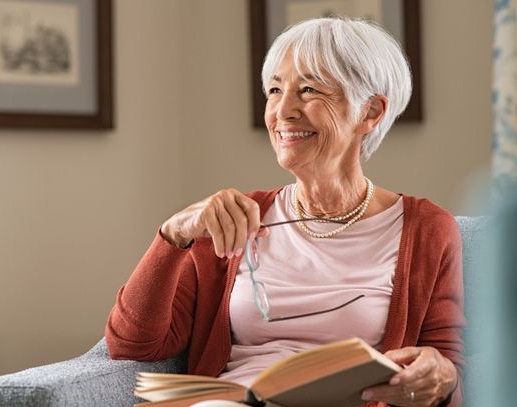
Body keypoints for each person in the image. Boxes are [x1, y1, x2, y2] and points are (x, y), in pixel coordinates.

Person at [105, 17, 464, 407]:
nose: (283, 110)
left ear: (370, 112)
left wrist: (441, 375)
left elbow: (448, 365)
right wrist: (172, 236)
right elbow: (132, 344)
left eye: (308, 90)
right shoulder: (233, 219)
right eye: (275, 90)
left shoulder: (427, 230)